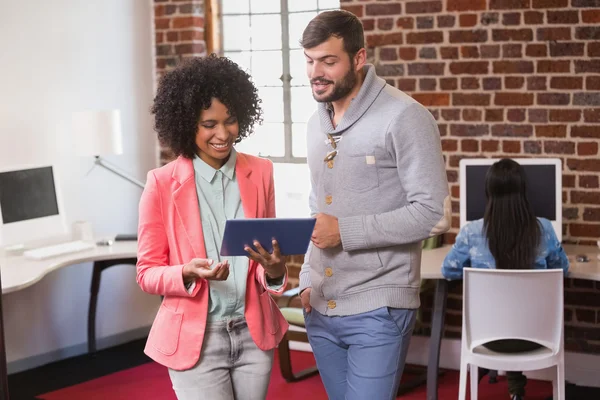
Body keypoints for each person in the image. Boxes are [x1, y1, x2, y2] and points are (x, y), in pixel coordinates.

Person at [297, 10, 451, 400]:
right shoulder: (315, 124)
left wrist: (345, 232)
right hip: (320, 305)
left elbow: (432, 213)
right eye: (310, 60)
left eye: (329, 61)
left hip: (378, 308)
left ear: (359, 58)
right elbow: (318, 210)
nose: (316, 71)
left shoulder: (406, 116)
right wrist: (303, 280)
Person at [136, 55, 289, 400]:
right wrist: (186, 273)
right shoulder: (161, 183)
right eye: (209, 124)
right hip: (197, 337)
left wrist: (276, 272)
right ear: (186, 123)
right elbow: (146, 273)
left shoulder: (261, 172)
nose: (223, 134)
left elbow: (265, 259)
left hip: (253, 333)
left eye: (230, 121)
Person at [442, 158, 569, 400]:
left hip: (488, 341)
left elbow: (448, 270)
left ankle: (513, 385)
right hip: (536, 339)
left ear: (488, 192)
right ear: (523, 192)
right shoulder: (543, 230)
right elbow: (562, 269)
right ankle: (516, 386)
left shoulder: (471, 233)